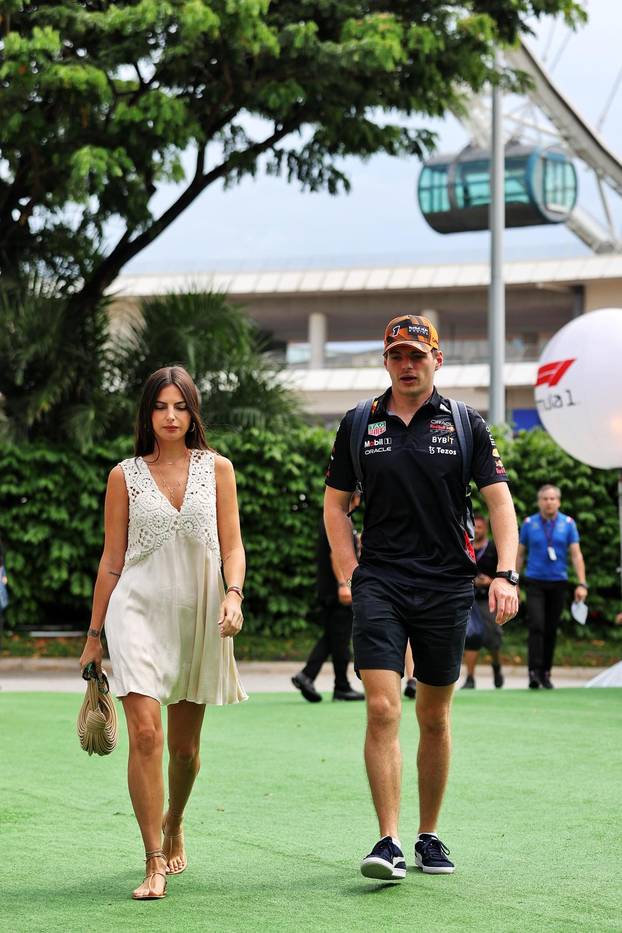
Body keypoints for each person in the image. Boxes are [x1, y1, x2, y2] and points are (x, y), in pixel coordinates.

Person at [324, 314, 519, 881]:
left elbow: (499, 504)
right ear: (386, 362)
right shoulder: (360, 422)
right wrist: (350, 569)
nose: (408, 366)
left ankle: (428, 834)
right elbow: (335, 504)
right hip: (381, 581)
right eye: (397, 356)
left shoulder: (465, 424)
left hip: (447, 584)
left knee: (433, 715)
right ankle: (388, 841)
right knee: (383, 707)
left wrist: (505, 573)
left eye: (417, 356)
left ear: (437, 360)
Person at [79, 365, 247, 901]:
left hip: (199, 614)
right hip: (137, 610)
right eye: (160, 407)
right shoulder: (122, 475)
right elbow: (111, 560)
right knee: (146, 735)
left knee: (186, 750)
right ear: (146, 414)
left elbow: (233, 545)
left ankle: (175, 819)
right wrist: (94, 634)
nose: (170, 416)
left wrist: (233, 593)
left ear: (193, 412)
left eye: (180, 406)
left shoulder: (218, 469)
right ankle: (152, 857)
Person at [292, 493, 365, 702]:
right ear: (355, 496)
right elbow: (336, 553)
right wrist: (344, 584)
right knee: (340, 637)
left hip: (329, 588)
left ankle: (308, 676)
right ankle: (338, 685)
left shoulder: (336, 517)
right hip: (336, 590)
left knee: (334, 635)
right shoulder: (339, 518)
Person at [516, 483, 588, 689]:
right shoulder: (530, 524)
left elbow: (576, 554)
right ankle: (533, 672)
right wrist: (513, 581)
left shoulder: (568, 524)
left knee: (551, 628)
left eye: (552, 498)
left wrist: (582, 583)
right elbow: (520, 554)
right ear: (539, 502)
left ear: (559, 501)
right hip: (535, 581)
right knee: (536, 626)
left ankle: (546, 672)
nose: (549, 502)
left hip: (558, 582)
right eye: (545, 499)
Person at [461, 513, 504, 689]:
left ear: (485, 529)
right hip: (469, 597)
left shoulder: (493, 548)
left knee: (493, 637)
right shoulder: (464, 547)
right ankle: (470, 677)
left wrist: (490, 581)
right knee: (471, 635)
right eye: (474, 526)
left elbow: (501, 573)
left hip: (488, 599)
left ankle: (496, 665)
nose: (477, 530)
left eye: (480, 527)